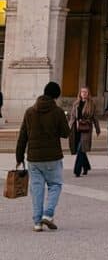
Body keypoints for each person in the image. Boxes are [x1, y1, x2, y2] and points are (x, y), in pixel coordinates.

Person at [15, 81, 70, 232]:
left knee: (37, 189)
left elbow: (22, 137)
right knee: (55, 185)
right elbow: (66, 133)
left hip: (34, 158)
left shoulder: (30, 111)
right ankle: (48, 214)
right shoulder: (58, 112)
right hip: (53, 157)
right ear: (56, 96)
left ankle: (37, 223)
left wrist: (19, 157)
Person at [68, 86, 100, 177]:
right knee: (80, 149)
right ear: (80, 93)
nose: (84, 93)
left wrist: (97, 129)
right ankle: (86, 166)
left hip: (86, 128)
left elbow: (95, 117)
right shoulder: (76, 103)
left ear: (88, 93)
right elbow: (72, 117)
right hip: (76, 128)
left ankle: (77, 171)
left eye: (86, 92)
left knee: (81, 148)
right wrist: (69, 127)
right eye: (82, 92)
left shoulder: (91, 104)